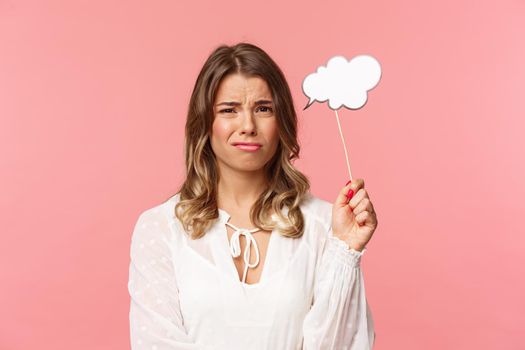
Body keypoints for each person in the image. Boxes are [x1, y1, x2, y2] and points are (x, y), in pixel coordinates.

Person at [127, 42, 378, 350]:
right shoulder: (161, 228)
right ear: (205, 123)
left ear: (281, 120)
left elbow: (341, 345)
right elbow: (157, 342)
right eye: (229, 110)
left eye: (263, 109)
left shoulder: (327, 226)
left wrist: (345, 250)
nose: (247, 126)